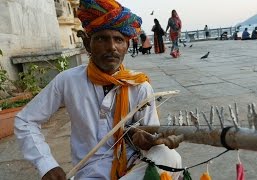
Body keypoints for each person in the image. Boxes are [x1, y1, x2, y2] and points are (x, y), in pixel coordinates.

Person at [14, 0, 182, 180]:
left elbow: (150, 137)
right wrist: (46, 164)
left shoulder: (139, 85)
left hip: (132, 169)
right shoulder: (68, 81)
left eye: (119, 40)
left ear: (126, 46)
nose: (112, 47)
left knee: (169, 157)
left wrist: (146, 140)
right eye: (102, 38)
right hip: (89, 174)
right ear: (88, 44)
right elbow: (25, 121)